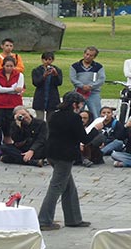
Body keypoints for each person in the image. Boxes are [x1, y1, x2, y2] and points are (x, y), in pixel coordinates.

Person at [38, 92, 103, 230]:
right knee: (55, 187)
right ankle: (44, 220)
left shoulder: (54, 115)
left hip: (52, 154)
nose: (81, 106)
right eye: (80, 104)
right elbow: (84, 139)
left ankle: (73, 219)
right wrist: (96, 130)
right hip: (65, 156)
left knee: (69, 187)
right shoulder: (74, 118)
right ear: (75, 104)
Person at [0, 55, 25, 141]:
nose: (9, 68)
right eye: (7, 66)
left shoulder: (19, 75)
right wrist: (13, 89)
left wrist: (6, 90)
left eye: (11, 66)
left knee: (11, 129)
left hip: (14, 105)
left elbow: (19, 88)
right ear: (3, 65)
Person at [69, 47, 105, 118]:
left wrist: (91, 86)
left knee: (96, 113)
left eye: (91, 55)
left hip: (93, 93)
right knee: (76, 114)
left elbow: (101, 79)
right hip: (79, 93)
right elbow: (73, 78)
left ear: (94, 57)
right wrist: (82, 86)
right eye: (87, 54)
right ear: (84, 54)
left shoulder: (98, 67)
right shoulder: (75, 66)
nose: (88, 57)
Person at [32, 51, 64, 120]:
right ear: (42, 60)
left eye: (49, 59)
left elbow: (59, 83)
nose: (47, 61)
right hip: (40, 98)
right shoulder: (36, 70)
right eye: (45, 59)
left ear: (52, 60)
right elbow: (35, 83)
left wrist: (55, 75)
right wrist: (43, 76)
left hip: (52, 98)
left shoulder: (57, 70)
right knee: (39, 119)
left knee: (50, 120)